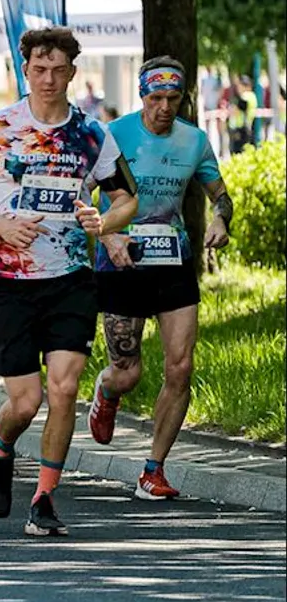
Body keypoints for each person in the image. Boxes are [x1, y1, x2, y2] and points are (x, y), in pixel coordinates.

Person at [0, 26, 137, 537]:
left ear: (73, 73)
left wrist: (104, 223)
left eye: (58, 70)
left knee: (65, 388)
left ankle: (45, 498)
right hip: (10, 281)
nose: (48, 79)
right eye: (39, 69)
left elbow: (125, 199)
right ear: (24, 70)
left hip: (70, 279)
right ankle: (1, 447)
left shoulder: (92, 133)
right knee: (25, 402)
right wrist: (0, 224)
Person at [89, 56, 232, 501]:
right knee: (128, 372)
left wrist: (221, 220)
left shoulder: (194, 140)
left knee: (181, 367)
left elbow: (219, 194)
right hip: (122, 260)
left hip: (173, 261)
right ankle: (107, 391)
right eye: (155, 98)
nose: (164, 108)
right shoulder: (114, 135)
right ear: (142, 96)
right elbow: (83, 198)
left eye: (173, 99)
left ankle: (153, 470)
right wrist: (109, 234)